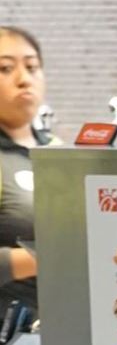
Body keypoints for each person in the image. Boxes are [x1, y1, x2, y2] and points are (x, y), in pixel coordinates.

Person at [0, 24, 51, 292]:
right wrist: (56, 259)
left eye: (32, 67)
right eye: (5, 69)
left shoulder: (59, 153)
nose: (24, 79)